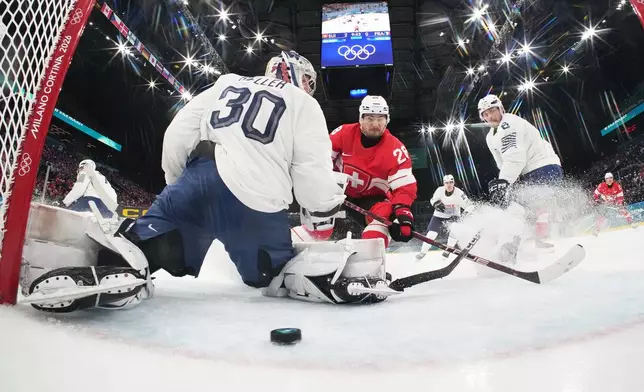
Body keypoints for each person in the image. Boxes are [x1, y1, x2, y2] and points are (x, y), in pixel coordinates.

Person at [25, 51, 395, 312]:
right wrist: (324, 205)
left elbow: (176, 134)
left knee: (152, 243)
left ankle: (118, 266)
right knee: (269, 276)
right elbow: (310, 182)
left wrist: (176, 187)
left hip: (199, 181)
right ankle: (321, 278)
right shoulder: (304, 104)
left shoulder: (226, 83)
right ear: (299, 77)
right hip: (258, 202)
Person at [290, 95, 417, 248]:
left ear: (387, 120)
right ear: (361, 119)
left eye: (380, 119)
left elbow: (404, 187)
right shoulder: (344, 133)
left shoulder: (396, 150)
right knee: (320, 227)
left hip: (371, 199)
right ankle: (293, 243)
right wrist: (318, 187)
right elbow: (320, 160)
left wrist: (403, 214)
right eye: (370, 118)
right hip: (336, 191)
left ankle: (370, 257)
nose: (375, 124)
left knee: (385, 214)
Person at [478, 94, 563, 260]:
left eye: (492, 111)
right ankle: (527, 244)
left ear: (501, 109)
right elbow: (503, 164)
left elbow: (515, 157)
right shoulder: (491, 136)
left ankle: (510, 248)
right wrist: (503, 185)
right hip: (531, 171)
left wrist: (503, 184)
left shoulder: (509, 124)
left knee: (515, 208)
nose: (489, 116)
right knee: (521, 209)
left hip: (542, 168)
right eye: (485, 114)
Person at [416, 175, 473, 260]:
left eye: (451, 182)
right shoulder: (439, 190)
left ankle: (448, 251)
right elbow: (432, 200)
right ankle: (423, 252)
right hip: (439, 215)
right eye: (446, 183)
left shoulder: (460, 193)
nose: (449, 185)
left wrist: (466, 213)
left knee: (454, 232)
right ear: (443, 183)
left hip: (454, 216)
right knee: (431, 234)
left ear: (454, 183)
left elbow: (470, 205)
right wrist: (435, 204)